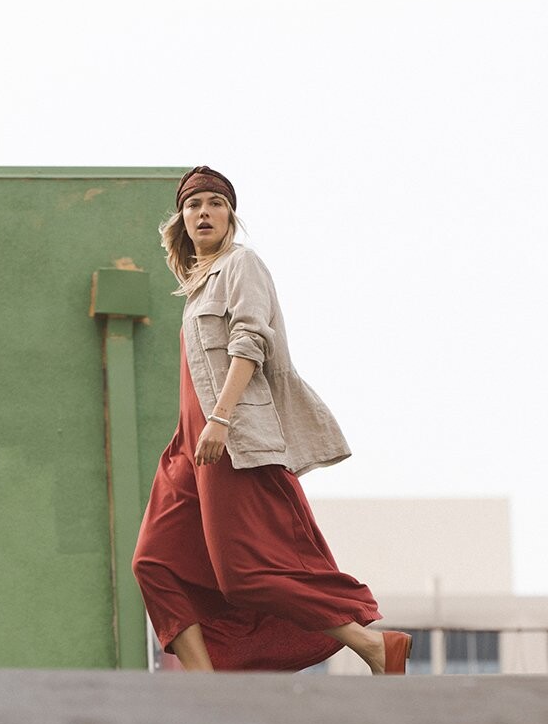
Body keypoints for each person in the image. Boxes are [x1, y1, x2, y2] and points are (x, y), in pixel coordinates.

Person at [132, 165, 411, 675]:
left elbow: (250, 342)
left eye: (215, 203)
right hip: (187, 448)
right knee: (155, 562)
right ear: (182, 220)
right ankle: (205, 687)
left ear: (231, 216)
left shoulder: (242, 265)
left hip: (228, 439)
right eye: (194, 205)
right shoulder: (198, 286)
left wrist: (220, 419)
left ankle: (372, 646)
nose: (204, 212)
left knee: (244, 575)